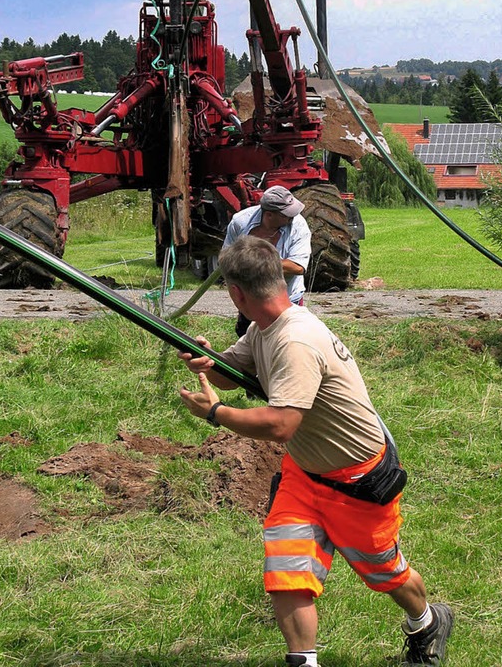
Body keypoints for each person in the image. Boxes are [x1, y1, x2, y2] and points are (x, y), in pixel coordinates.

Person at [178, 236, 453, 667]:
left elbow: (281, 424)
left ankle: (427, 621)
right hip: (304, 476)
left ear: (236, 293)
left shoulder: (296, 341)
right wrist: (209, 361)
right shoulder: (263, 328)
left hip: (358, 480)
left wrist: (216, 413)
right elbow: (236, 371)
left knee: (384, 573)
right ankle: (303, 662)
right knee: (286, 574)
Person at [222, 185, 311, 336]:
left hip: (288, 301)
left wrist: (254, 262)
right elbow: (226, 258)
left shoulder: (299, 226)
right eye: (287, 214)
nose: (293, 217)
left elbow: (298, 267)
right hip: (250, 300)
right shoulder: (240, 223)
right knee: (248, 343)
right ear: (269, 215)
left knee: (287, 343)